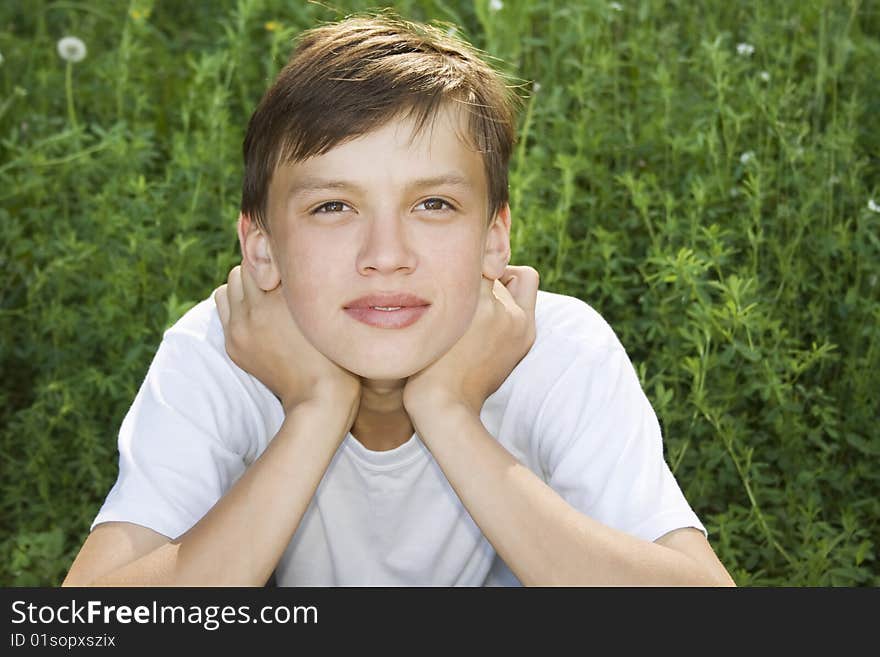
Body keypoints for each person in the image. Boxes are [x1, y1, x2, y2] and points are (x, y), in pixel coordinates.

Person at [62, 14, 735, 587]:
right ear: (261, 248)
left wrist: (448, 410)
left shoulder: (557, 348)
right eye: (333, 206)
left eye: (434, 203)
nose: (386, 254)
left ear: (494, 239)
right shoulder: (219, 350)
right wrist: (313, 409)